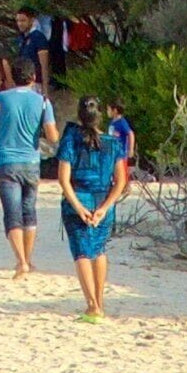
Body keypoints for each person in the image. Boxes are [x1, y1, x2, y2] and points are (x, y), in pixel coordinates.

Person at [0, 57, 59, 278]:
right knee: (29, 211)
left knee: (11, 214)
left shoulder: (0, 99)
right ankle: (28, 259)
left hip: (5, 160)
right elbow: (52, 136)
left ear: (12, 77)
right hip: (31, 161)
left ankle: (20, 261)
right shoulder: (43, 102)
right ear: (33, 77)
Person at [56, 94, 131, 321]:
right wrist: (106, 207)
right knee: (98, 250)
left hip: (79, 198)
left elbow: (63, 179)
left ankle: (92, 306)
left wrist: (78, 207)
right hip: (103, 199)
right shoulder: (113, 143)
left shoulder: (70, 140)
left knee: (82, 252)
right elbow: (120, 181)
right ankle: (99, 302)